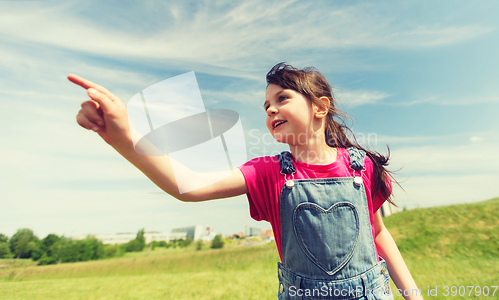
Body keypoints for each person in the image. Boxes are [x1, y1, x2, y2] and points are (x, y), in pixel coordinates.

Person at [68, 62, 423, 300]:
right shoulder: (267, 173)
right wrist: (123, 137)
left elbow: (377, 234)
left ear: (320, 106)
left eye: (282, 98)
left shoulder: (363, 167)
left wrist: (412, 294)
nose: (269, 109)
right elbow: (189, 186)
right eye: (265, 105)